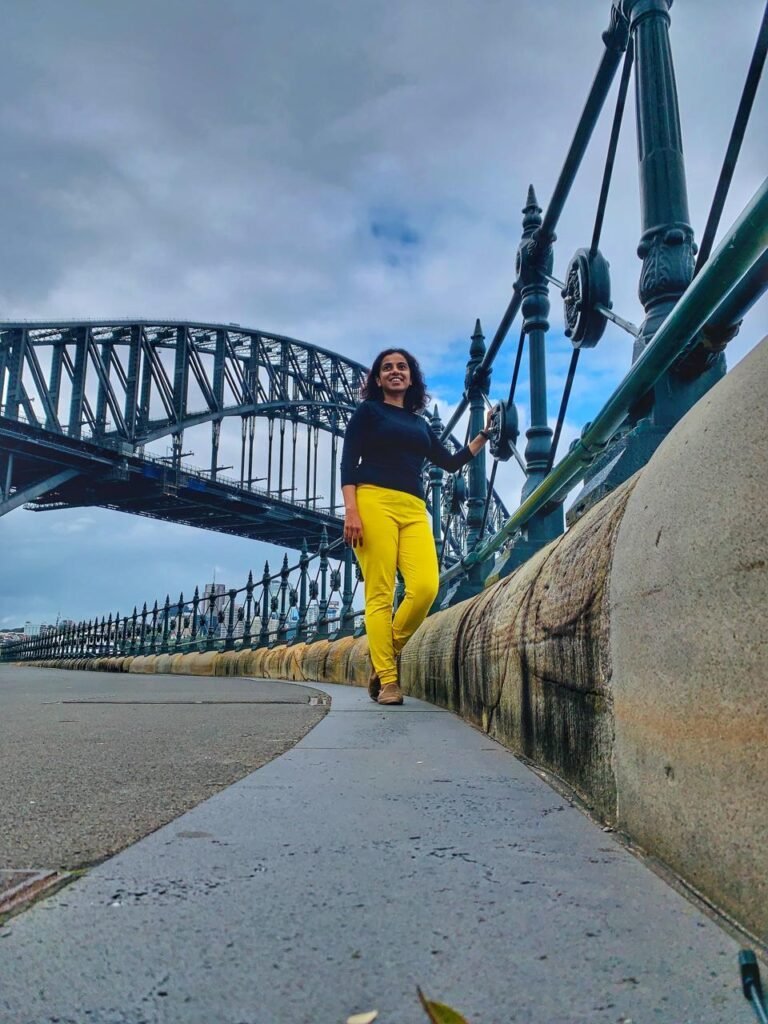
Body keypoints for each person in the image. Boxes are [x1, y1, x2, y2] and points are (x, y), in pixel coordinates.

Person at [340, 348, 492, 706]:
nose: (395, 372)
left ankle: (382, 657)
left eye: (402, 367)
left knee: (426, 586)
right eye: (388, 368)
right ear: (377, 379)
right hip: (372, 500)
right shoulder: (368, 412)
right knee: (380, 591)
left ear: (411, 377)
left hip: (413, 507)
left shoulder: (421, 424)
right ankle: (389, 681)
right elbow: (348, 462)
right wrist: (351, 511)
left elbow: (450, 463)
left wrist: (484, 436)